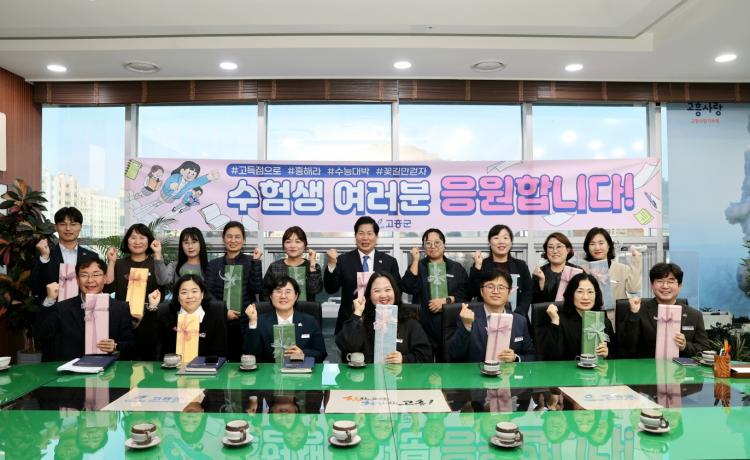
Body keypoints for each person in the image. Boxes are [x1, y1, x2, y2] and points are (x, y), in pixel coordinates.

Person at [34, 256, 135, 361]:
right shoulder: (62, 308)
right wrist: (49, 300)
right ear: (77, 280)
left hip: (107, 368)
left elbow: (130, 344)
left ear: (105, 278)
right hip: (70, 369)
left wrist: (115, 346)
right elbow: (41, 335)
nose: (90, 280)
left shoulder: (121, 308)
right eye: (84, 275)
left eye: (96, 275)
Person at [324, 216, 401, 334]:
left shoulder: (389, 261)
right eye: (361, 233)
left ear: (376, 236)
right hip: (350, 321)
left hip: (382, 322)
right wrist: (331, 264)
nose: (365, 238)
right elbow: (330, 288)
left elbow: (397, 291)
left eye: (369, 233)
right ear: (355, 236)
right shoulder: (343, 260)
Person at [336, 271, 433, 364]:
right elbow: (347, 346)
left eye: (388, 290)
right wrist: (357, 312)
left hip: (401, 375)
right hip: (367, 374)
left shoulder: (409, 322)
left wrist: (404, 359)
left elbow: (426, 356)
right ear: (369, 295)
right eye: (377, 291)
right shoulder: (361, 320)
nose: (383, 295)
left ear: (395, 292)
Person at [619, 262, 709, 358]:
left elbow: (704, 350)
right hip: (647, 366)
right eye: (660, 281)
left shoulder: (694, 315)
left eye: (671, 281)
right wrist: (634, 314)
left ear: (679, 286)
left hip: (681, 367)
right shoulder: (639, 310)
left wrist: (685, 346)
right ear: (652, 285)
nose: (665, 286)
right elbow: (626, 348)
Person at [401, 228, 468, 357]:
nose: (433, 246)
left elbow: (465, 296)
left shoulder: (456, 268)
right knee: (423, 365)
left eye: (437, 242)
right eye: (428, 243)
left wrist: (447, 300)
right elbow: (408, 287)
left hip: (450, 328)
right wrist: (415, 261)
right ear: (423, 247)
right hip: (423, 327)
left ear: (444, 245)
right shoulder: (417, 266)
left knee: (448, 366)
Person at [104, 223, 164, 361]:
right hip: (122, 322)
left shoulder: (155, 264)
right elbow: (108, 288)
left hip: (148, 321)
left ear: (149, 241)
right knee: (123, 361)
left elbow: (161, 289)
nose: (137, 242)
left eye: (142, 237)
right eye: (133, 238)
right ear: (127, 241)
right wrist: (111, 262)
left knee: (147, 361)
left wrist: (158, 255)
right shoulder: (119, 264)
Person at [204, 221, 263, 361]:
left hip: (245, 320)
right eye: (229, 236)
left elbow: (256, 289)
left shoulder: (251, 261)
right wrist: (223, 311)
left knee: (244, 359)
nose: (233, 240)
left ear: (243, 240)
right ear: (223, 238)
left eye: (237, 237)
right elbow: (207, 293)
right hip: (220, 320)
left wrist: (256, 263)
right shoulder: (214, 264)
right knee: (220, 359)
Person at [446, 269, 535, 363]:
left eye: (501, 287)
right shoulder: (467, 317)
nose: (495, 291)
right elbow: (454, 354)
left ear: (509, 293)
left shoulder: (520, 321)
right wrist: (466, 326)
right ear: (481, 291)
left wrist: (515, 358)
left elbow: (531, 356)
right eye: (490, 286)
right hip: (476, 372)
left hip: (508, 371)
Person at [243, 276, 327, 363]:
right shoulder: (260, 321)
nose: (283, 296)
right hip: (270, 370)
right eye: (278, 291)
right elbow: (250, 354)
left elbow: (321, 353)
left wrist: (302, 353)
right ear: (271, 296)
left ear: (296, 296)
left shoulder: (309, 321)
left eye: (288, 292)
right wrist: (253, 322)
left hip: (301, 369)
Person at [535, 272, 614, 361]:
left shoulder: (604, 322)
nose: (585, 297)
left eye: (590, 292)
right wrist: (555, 321)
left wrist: (607, 354)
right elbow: (552, 357)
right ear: (571, 294)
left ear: (596, 295)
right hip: (568, 370)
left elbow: (616, 358)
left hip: (597, 369)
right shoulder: (560, 321)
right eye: (580, 291)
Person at [30, 207, 98, 303]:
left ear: (80, 227)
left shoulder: (92, 256)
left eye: (73, 224)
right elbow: (34, 286)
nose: (68, 228)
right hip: (53, 308)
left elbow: (99, 286)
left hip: (84, 308)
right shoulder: (44, 253)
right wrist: (44, 258)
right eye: (62, 224)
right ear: (56, 227)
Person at [156, 274, 228, 359]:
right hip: (172, 366)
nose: (189, 296)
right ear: (178, 297)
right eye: (184, 292)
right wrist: (152, 308)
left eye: (194, 291)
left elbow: (219, 353)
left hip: (205, 366)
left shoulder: (216, 315)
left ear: (202, 294)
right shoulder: (167, 315)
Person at [468, 224, 532, 318]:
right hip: (487, 318)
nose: (501, 242)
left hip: (517, 316)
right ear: (489, 242)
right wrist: (477, 267)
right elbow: (472, 292)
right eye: (496, 238)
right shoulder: (481, 264)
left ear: (511, 242)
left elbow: (528, 292)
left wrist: (518, 315)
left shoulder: (521, 266)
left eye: (505, 238)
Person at [583, 227, 642, 303]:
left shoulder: (623, 269)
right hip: (590, 311)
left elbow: (633, 289)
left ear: (608, 245)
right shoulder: (582, 271)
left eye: (601, 243)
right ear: (587, 247)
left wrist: (636, 261)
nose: (597, 248)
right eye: (592, 244)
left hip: (616, 310)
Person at [262, 226, 322, 301]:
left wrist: (312, 265)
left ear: (305, 245)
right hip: (280, 308)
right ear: (283, 246)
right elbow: (265, 294)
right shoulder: (274, 266)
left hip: (306, 308)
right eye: (288, 242)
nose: (293, 246)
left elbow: (314, 290)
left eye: (297, 241)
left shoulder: (313, 266)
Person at [532, 232, 581, 304]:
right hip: (545, 311)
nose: (555, 251)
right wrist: (542, 282)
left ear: (568, 250)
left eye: (559, 246)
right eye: (550, 247)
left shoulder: (577, 271)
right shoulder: (539, 273)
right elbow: (535, 303)